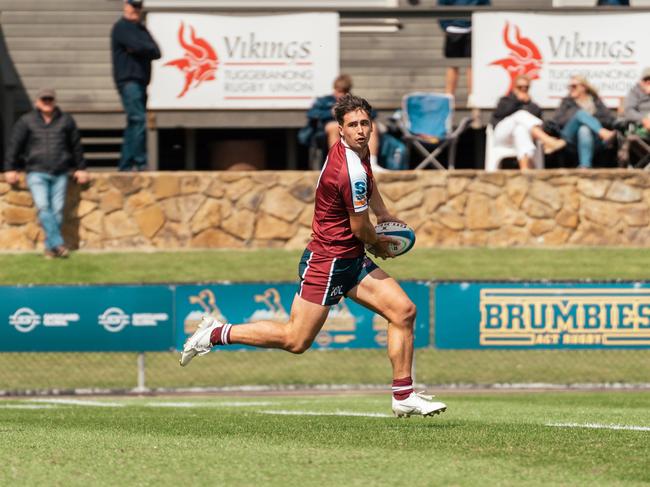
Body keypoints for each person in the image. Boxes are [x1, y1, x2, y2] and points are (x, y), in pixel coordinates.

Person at [181, 94, 447, 418]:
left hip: (350, 258)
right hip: (328, 261)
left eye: (365, 123)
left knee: (403, 312)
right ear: (341, 129)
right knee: (296, 339)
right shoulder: (349, 170)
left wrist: (387, 215)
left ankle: (403, 395)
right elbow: (361, 227)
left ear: (372, 125)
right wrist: (380, 243)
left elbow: (370, 190)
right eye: (353, 125)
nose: (360, 130)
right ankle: (215, 333)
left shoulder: (358, 154)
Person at [3, 88, 89, 258]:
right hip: (36, 172)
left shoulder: (66, 120)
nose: (47, 102)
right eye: (44, 100)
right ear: (37, 102)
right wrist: (9, 168)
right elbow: (14, 146)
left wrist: (81, 168)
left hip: (60, 172)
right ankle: (57, 243)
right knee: (43, 207)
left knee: (57, 210)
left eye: (50, 99)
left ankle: (51, 248)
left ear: (54, 101)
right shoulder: (26, 121)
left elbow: (76, 146)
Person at [111, 0, 160, 171]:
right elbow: (142, 47)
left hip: (141, 82)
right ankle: (140, 162)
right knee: (139, 120)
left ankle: (125, 165)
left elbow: (156, 51)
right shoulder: (121, 27)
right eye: (133, 5)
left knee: (134, 123)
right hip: (128, 81)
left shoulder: (141, 29)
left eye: (138, 6)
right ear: (126, 5)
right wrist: (142, 48)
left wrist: (139, 48)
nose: (136, 9)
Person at [301, 74, 383, 172]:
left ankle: (371, 162)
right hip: (326, 132)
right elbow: (312, 114)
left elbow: (371, 113)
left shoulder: (353, 101)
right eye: (339, 91)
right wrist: (329, 113)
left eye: (344, 91)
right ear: (334, 89)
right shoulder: (324, 101)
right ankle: (339, 163)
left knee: (371, 125)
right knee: (335, 126)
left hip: (351, 128)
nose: (341, 95)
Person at [490, 75, 566, 170]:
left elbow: (537, 118)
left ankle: (525, 170)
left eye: (526, 87)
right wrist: (517, 100)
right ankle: (547, 141)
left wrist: (528, 103)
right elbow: (502, 112)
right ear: (514, 87)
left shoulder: (532, 105)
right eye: (520, 87)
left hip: (518, 137)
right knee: (520, 114)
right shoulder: (505, 100)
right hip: (501, 136)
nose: (523, 89)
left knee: (520, 130)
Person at [551, 75, 616, 169]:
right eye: (569, 87)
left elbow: (609, 119)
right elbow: (557, 121)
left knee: (584, 129)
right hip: (569, 138)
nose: (570, 89)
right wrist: (577, 117)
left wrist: (589, 121)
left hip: (593, 139)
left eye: (574, 86)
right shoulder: (566, 102)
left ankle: (585, 167)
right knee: (580, 114)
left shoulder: (596, 101)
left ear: (583, 87)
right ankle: (602, 132)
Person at [437, 0, 491, 98]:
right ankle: (449, 102)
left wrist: (481, 25)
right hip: (453, 31)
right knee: (452, 66)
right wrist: (446, 27)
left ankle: (474, 104)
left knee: (472, 67)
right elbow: (441, 6)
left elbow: (486, 6)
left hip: (473, 30)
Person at [620, 67, 650, 166]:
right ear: (641, 81)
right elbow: (628, 112)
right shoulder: (635, 92)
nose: (648, 82)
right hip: (641, 127)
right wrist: (643, 120)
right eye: (646, 80)